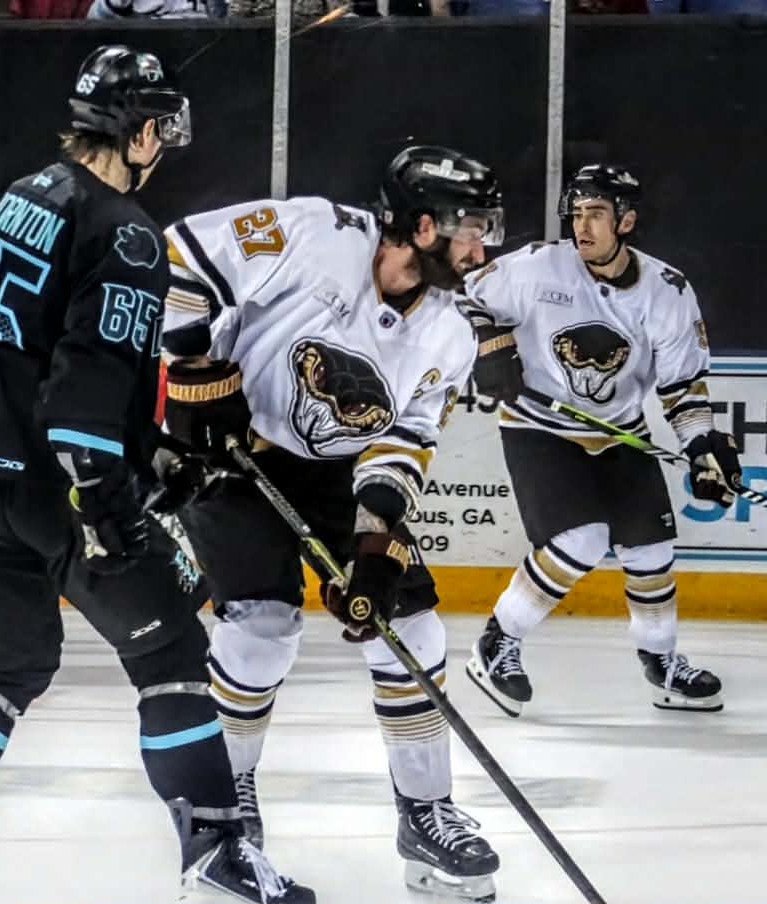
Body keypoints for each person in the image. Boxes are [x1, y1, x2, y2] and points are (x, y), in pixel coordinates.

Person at [0, 45, 311, 904]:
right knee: (173, 652)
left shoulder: (26, 196)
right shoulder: (127, 232)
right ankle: (216, 861)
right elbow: (86, 383)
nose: (164, 149)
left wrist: (153, 451)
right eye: (160, 131)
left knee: (2, 668)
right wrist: (109, 501)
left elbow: (28, 347)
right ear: (138, 131)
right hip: (56, 481)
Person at [157, 146, 505, 901]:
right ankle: (225, 811)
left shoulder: (451, 329)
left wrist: (376, 547)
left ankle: (425, 815)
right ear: (422, 226)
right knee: (260, 630)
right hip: (235, 450)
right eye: (471, 230)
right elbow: (181, 254)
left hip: (338, 476)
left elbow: (403, 442)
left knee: (412, 626)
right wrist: (192, 372)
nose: (481, 251)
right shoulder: (314, 233)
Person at [461, 164, 738, 716]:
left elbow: (682, 387)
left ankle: (661, 664)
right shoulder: (537, 267)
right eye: (577, 213)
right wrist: (489, 344)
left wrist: (702, 444)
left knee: (652, 550)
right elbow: (462, 298)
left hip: (621, 433)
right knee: (582, 541)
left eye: (596, 214)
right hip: (539, 426)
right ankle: (497, 643)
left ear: (626, 221)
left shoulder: (666, 291)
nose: (581, 226)